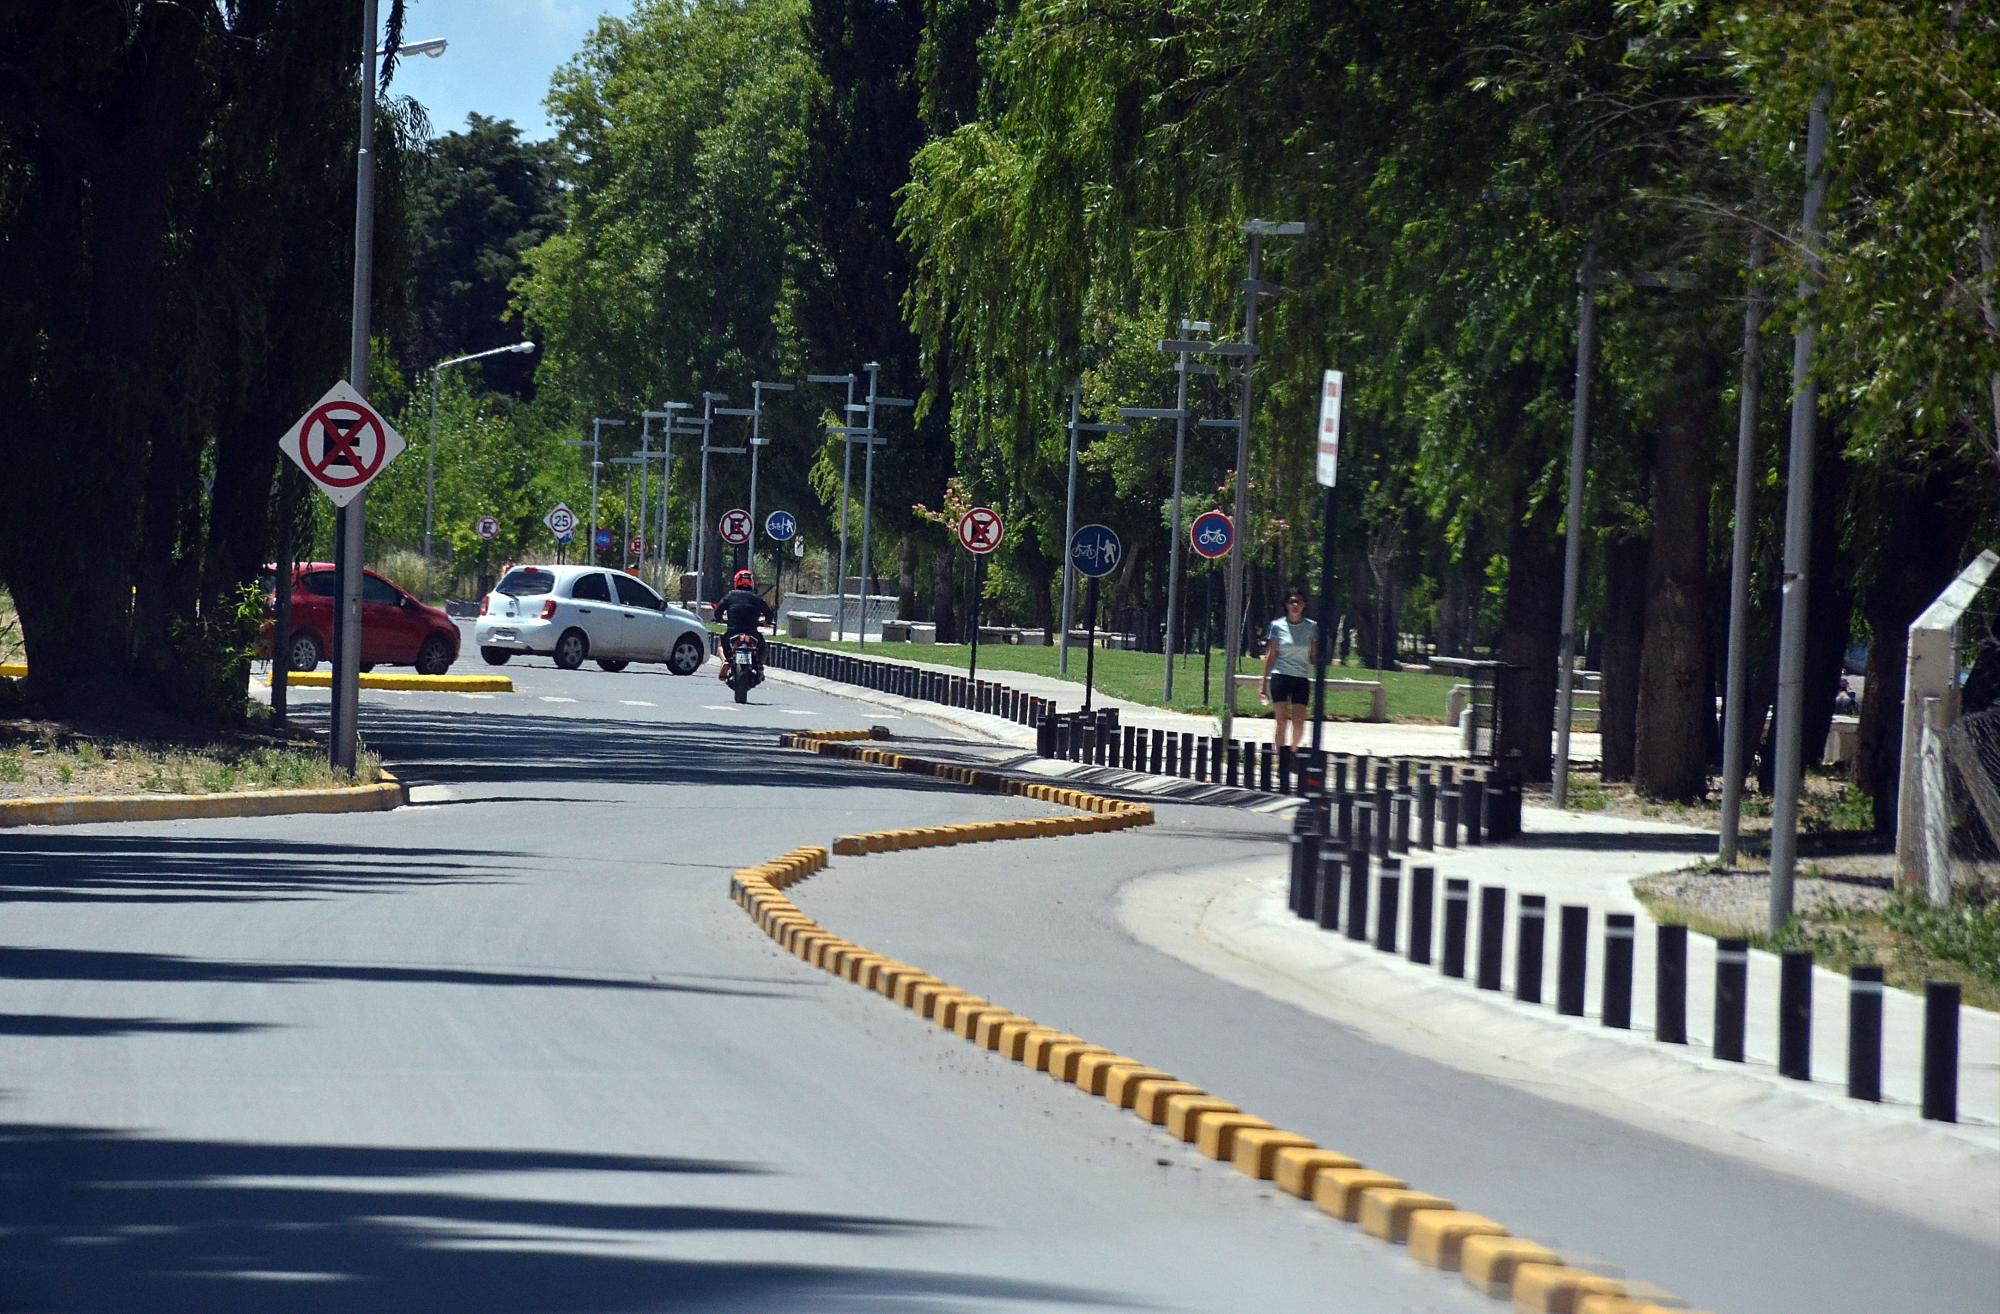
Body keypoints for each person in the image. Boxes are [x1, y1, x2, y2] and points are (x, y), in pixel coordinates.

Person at [1260, 587, 1319, 755]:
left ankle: (1292, 754)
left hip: (1300, 678)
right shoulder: (1277, 626)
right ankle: (1280, 757)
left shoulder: (1311, 627)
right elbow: (1271, 655)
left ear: (1303, 605)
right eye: (1291, 601)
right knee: (1281, 722)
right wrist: (1263, 683)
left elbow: (1314, 655)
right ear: (1286, 605)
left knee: (1299, 724)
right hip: (1281, 676)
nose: (1295, 605)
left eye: (1298, 602)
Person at [712, 568, 775, 680]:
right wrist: (768, 621)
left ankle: (725, 661)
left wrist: (719, 618)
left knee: (721, 645)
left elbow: (718, 609)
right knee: (763, 646)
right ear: (751, 582)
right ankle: (759, 665)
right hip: (752, 632)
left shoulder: (730, 595)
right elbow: (768, 612)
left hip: (733, 631)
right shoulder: (756, 597)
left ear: (736, 582)